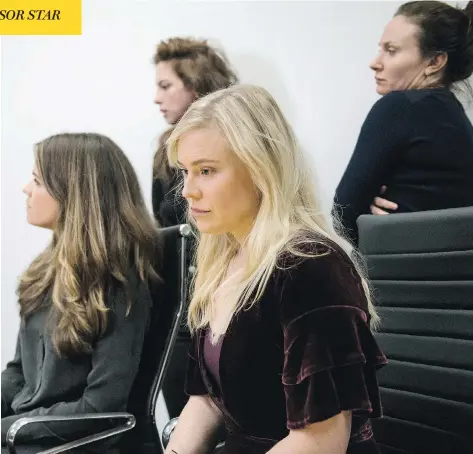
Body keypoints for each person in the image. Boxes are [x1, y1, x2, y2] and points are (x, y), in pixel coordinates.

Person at [163, 84, 387, 454]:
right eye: (185, 171)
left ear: (260, 170)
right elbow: (206, 400)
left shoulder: (311, 269)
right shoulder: (219, 265)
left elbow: (321, 442)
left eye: (206, 170)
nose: (188, 190)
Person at [1, 133, 160, 453]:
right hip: (27, 436)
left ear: (74, 195)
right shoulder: (43, 274)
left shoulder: (119, 285)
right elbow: (19, 372)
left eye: (37, 181)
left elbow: (101, 408)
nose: (25, 189)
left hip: (70, 446)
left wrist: (10, 428)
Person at [333, 0, 473, 245]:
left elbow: (342, 215)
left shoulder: (400, 107)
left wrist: (370, 220)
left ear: (435, 62)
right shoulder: (454, 115)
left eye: (392, 50)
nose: (375, 62)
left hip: (393, 273)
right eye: (381, 49)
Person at [152, 37, 238, 227]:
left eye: (165, 86)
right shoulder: (164, 151)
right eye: (183, 170)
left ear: (196, 86)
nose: (157, 98)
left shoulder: (237, 142)